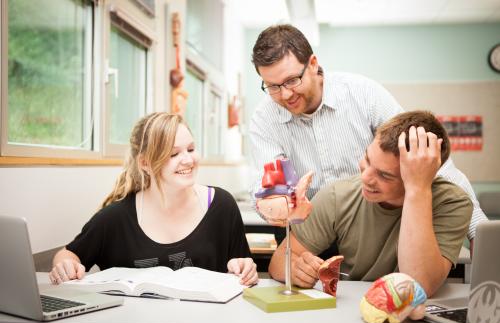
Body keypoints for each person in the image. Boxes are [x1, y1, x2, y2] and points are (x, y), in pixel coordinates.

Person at [249, 24, 486, 248]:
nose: (286, 94)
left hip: (373, 228)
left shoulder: (364, 94)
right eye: (273, 86)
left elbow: (426, 160)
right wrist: (272, 204)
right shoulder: (264, 118)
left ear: (312, 64)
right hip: (309, 233)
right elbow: (270, 183)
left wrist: (479, 232)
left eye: (292, 80)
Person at [268, 111, 472, 297]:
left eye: (384, 175)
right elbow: (278, 262)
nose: (365, 178)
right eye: (367, 158)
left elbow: (417, 285)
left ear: (423, 174)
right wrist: (295, 270)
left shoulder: (453, 203)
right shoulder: (338, 195)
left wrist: (417, 189)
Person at [49, 112, 258, 286]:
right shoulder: (115, 218)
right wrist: (65, 264)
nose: (188, 160)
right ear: (145, 163)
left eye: (191, 149)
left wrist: (245, 268)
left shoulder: (221, 205)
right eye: (174, 154)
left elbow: (241, 264)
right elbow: (68, 254)